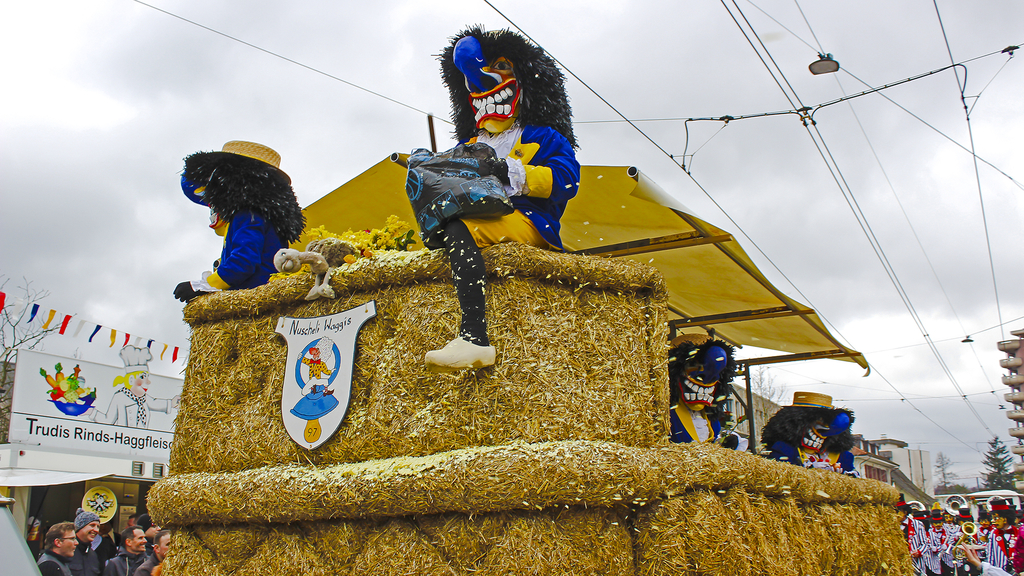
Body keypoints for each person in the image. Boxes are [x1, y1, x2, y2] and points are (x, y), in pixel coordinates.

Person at [416, 26, 580, 372]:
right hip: (487, 214)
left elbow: (567, 182)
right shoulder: (473, 143)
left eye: (502, 66)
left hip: (530, 220)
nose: (480, 82)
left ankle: (475, 338)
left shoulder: (545, 137)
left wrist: (510, 171)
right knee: (444, 229)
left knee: (460, 227)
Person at [174, 141, 305, 302]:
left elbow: (244, 261)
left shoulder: (248, 214)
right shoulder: (265, 214)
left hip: (253, 299)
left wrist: (203, 285)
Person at [69, 508, 102, 576]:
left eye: (98, 527)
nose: (96, 530)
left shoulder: (93, 555)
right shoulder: (67, 550)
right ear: (80, 527)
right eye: (92, 525)